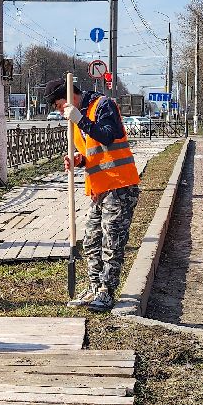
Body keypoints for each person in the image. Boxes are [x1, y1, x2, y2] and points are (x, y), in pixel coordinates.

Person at [45, 77, 140, 312]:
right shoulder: (76, 120)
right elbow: (96, 152)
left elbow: (108, 135)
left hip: (119, 186)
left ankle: (107, 292)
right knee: (91, 241)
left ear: (69, 98)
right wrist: (78, 160)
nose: (60, 113)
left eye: (59, 106)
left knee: (112, 243)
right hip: (98, 189)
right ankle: (95, 286)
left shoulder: (103, 105)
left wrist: (81, 120)